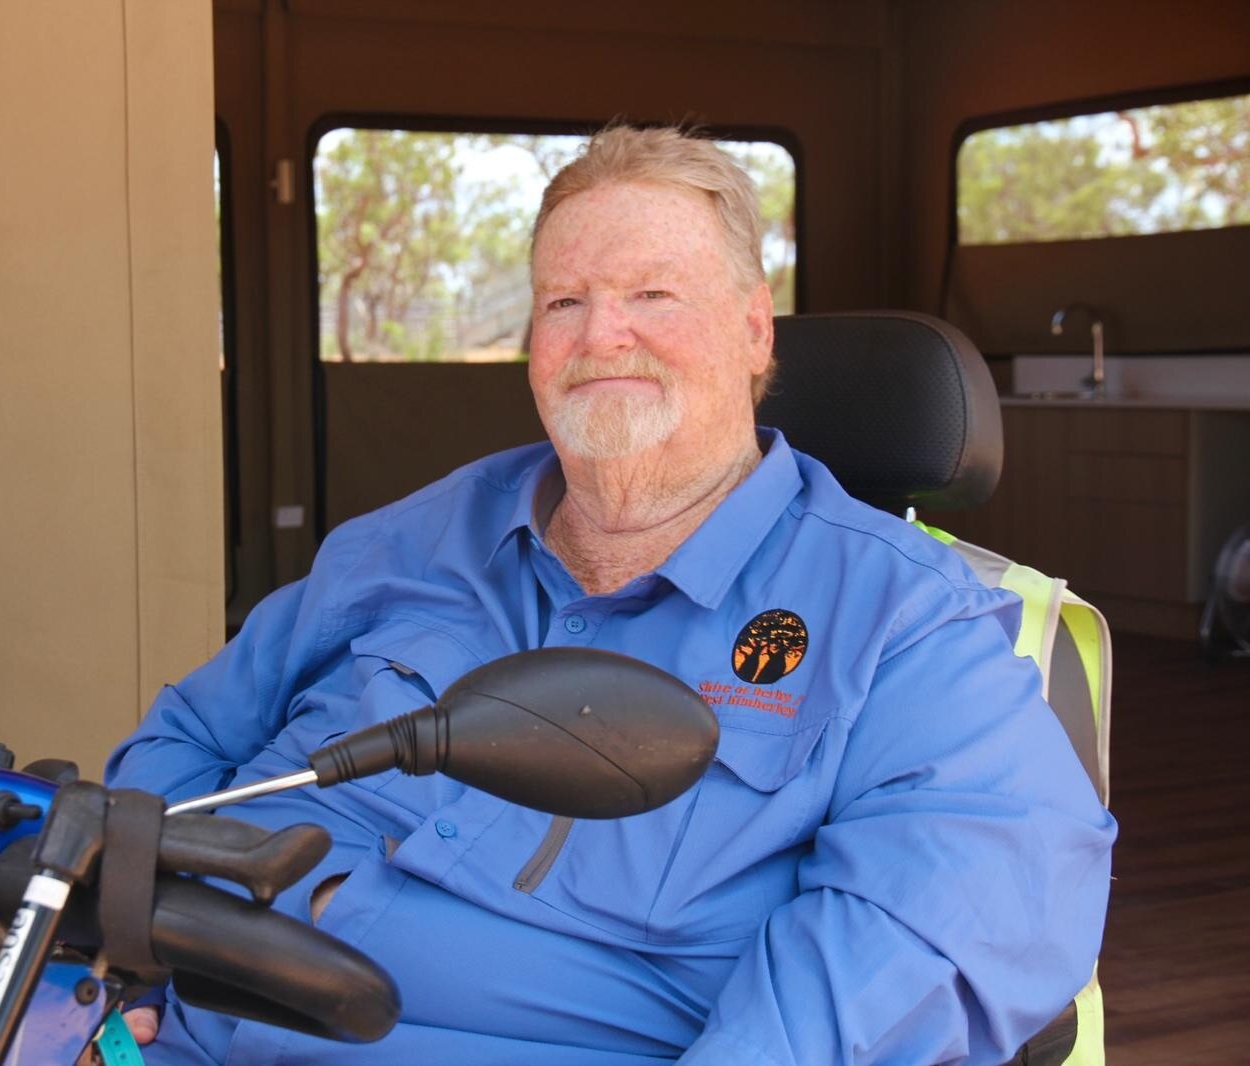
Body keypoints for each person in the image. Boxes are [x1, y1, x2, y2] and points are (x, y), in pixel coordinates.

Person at [106, 125, 1116, 1064]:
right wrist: (133, 922)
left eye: (653, 296)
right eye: (564, 301)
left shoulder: (902, 619)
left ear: (754, 329)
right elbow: (185, 738)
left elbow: (936, 930)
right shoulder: (403, 544)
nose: (601, 338)